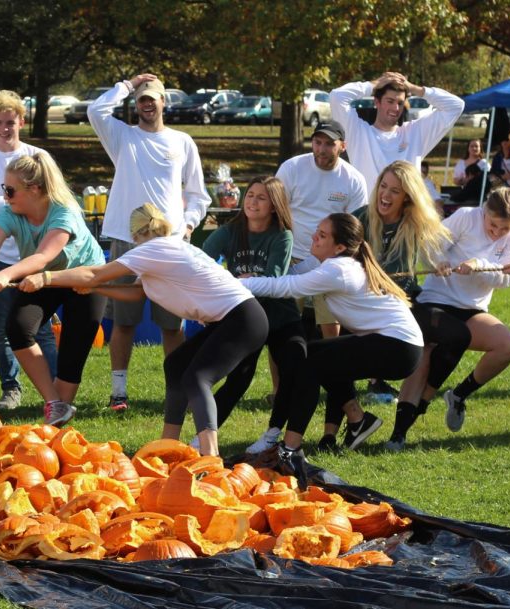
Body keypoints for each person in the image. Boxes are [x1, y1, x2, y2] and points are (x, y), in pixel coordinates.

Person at [27, 204, 268, 457]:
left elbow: (94, 273)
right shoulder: (165, 248)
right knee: (176, 365)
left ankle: (210, 457)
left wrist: (47, 278)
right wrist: (97, 289)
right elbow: (137, 291)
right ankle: (168, 447)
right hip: (240, 317)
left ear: (134, 236)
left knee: (196, 377)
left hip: (242, 318)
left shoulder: (154, 249)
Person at [242, 213, 423, 467]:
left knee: (309, 365)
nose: (315, 236)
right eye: (318, 230)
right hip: (399, 344)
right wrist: (257, 278)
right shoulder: (330, 262)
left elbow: (289, 287)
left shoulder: (338, 269)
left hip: (398, 347)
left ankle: (290, 448)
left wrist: (241, 284)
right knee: (314, 355)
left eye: (323, 235)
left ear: (339, 247)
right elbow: (292, 272)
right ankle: (357, 420)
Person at [0, 152, 105, 428]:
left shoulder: (63, 210)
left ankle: (57, 421)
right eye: (3, 190)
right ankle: (54, 403)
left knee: (73, 349)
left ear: (34, 189)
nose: (5, 196)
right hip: (43, 277)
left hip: (83, 275)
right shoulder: (9, 212)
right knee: (18, 327)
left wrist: (5, 274)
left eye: (9, 190)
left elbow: (44, 256)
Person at [87, 74, 211, 412]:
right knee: (124, 321)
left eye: (152, 97)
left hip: (169, 245)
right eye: (141, 98)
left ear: (163, 102)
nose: (146, 103)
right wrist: (127, 84)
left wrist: (186, 226)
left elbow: (199, 195)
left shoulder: (182, 142)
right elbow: (96, 111)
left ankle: (177, 389)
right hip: (127, 241)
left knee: (171, 325)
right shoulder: (123, 137)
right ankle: (118, 394)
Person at [348, 161, 462, 452]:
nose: (385, 195)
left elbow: (434, 251)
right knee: (421, 349)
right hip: (369, 307)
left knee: (456, 335)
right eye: (383, 187)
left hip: (404, 304)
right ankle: (385, 428)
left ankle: (418, 408)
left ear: (407, 196)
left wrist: (441, 265)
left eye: (395, 191)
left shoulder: (413, 223)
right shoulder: (359, 219)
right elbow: (339, 260)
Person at [201, 177, 306, 454]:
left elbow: (272, 280)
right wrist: (231, 280)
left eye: (261, 197)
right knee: (238, 378)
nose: (252, 201)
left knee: (292, 365)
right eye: (250, 195)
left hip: (281, 316)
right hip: (246, 316)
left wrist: (237, 280)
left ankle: (273, 433)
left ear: (274, 205)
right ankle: (204, 437)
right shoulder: (231, 230)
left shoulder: (282, 235)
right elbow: (200, 261)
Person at [0, 90, 58, 411]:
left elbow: (51, 200)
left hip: (36, 256)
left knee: (43, 328)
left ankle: (56, 391)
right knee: (5, 328)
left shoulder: (40, 157)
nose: (5, 129)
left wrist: (3, 198)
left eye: (11, 122)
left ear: (22, 121)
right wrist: (21, 198)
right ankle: (11, 389)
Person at [413, 188, 510, 433]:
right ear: (484, 211)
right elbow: (429, 245)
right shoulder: (465, 216)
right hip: (436, 299)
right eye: (492, 225)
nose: (496, 233)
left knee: (508, 346)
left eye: (504, 228)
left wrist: (478, 265)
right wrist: (438, 261)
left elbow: (507, 278)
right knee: (427, 355)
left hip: (473, 309)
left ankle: (459, 395)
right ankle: (407, 416)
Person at [275, 120, 368, 339]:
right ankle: (284, 375)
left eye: (329, 144)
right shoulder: (292, 168)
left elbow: (355, 231)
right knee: (283, 331)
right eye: (317, 142)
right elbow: (277, 213)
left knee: (331, 328)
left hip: (331, 264)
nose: (321, 149)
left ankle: (331, 370)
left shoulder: (354, 179)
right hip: (292, 258)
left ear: (342, 146)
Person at [330, 71, 464, 189]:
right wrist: (375, 84)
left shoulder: (415, 133)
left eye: (400, 103)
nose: (395, 108)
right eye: (390, 101)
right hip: (367, 215)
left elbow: (456, 106)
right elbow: (337, 97)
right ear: (377, 102)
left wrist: (414, 89)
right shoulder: (358, 132)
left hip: (406, 216)